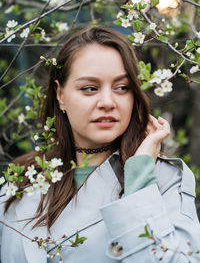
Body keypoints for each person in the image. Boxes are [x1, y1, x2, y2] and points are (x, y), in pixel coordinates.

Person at [0, 25, 200, 263]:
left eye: (122, 88)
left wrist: (140, 182)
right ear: (60, 94)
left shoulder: (164, 179)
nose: (107, 102)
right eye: (89, 88)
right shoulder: (25, 179)